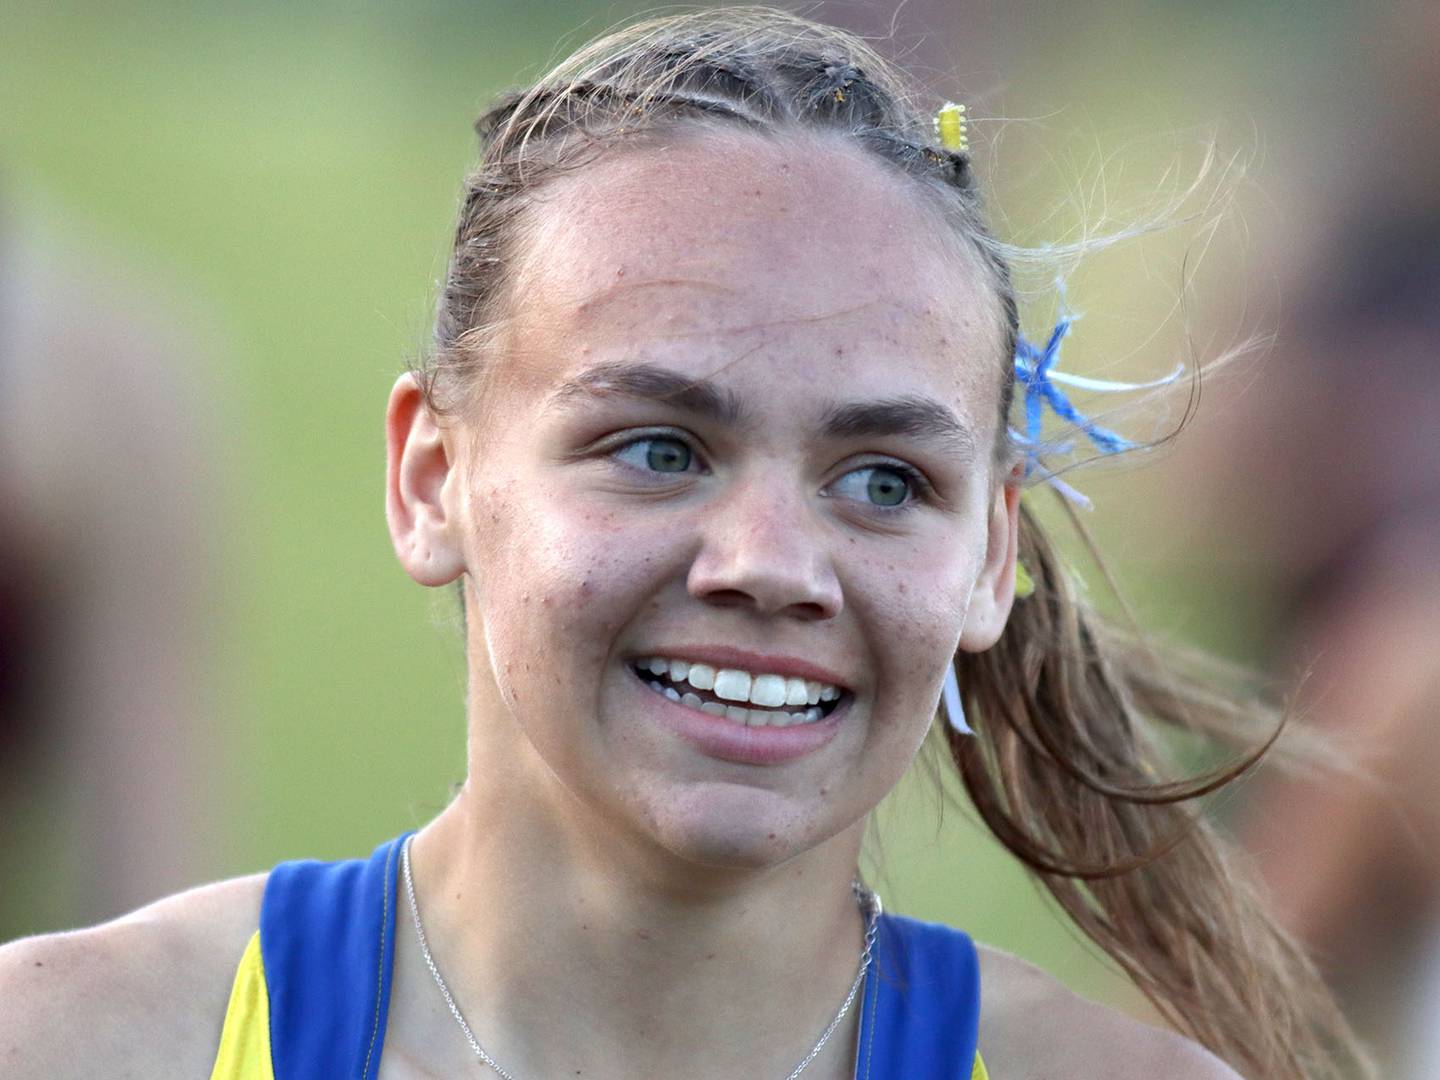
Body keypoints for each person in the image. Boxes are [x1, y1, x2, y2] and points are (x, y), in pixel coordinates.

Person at [0, 9, 1374, 1078]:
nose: (770, 560)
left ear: (987, 558)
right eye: (660, 450)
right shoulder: (78, 1045)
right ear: (431, 478)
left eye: (885, 481)